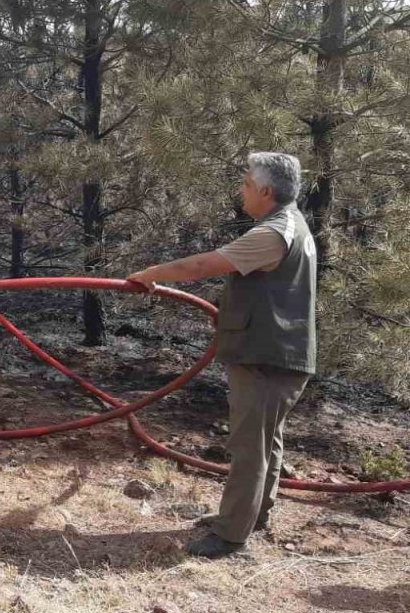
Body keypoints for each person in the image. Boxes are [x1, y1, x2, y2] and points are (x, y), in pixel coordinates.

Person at [127, 152, 316, 558]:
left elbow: (201, 264)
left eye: (246, 184)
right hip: (280, 353)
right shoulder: (293, 225)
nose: (241, 191)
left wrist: (149, 275)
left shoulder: (272, 233)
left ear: (266, 191)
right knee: (267, 440)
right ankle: (254, 515)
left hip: (267, 354)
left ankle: (230, 534)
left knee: (249, 446)